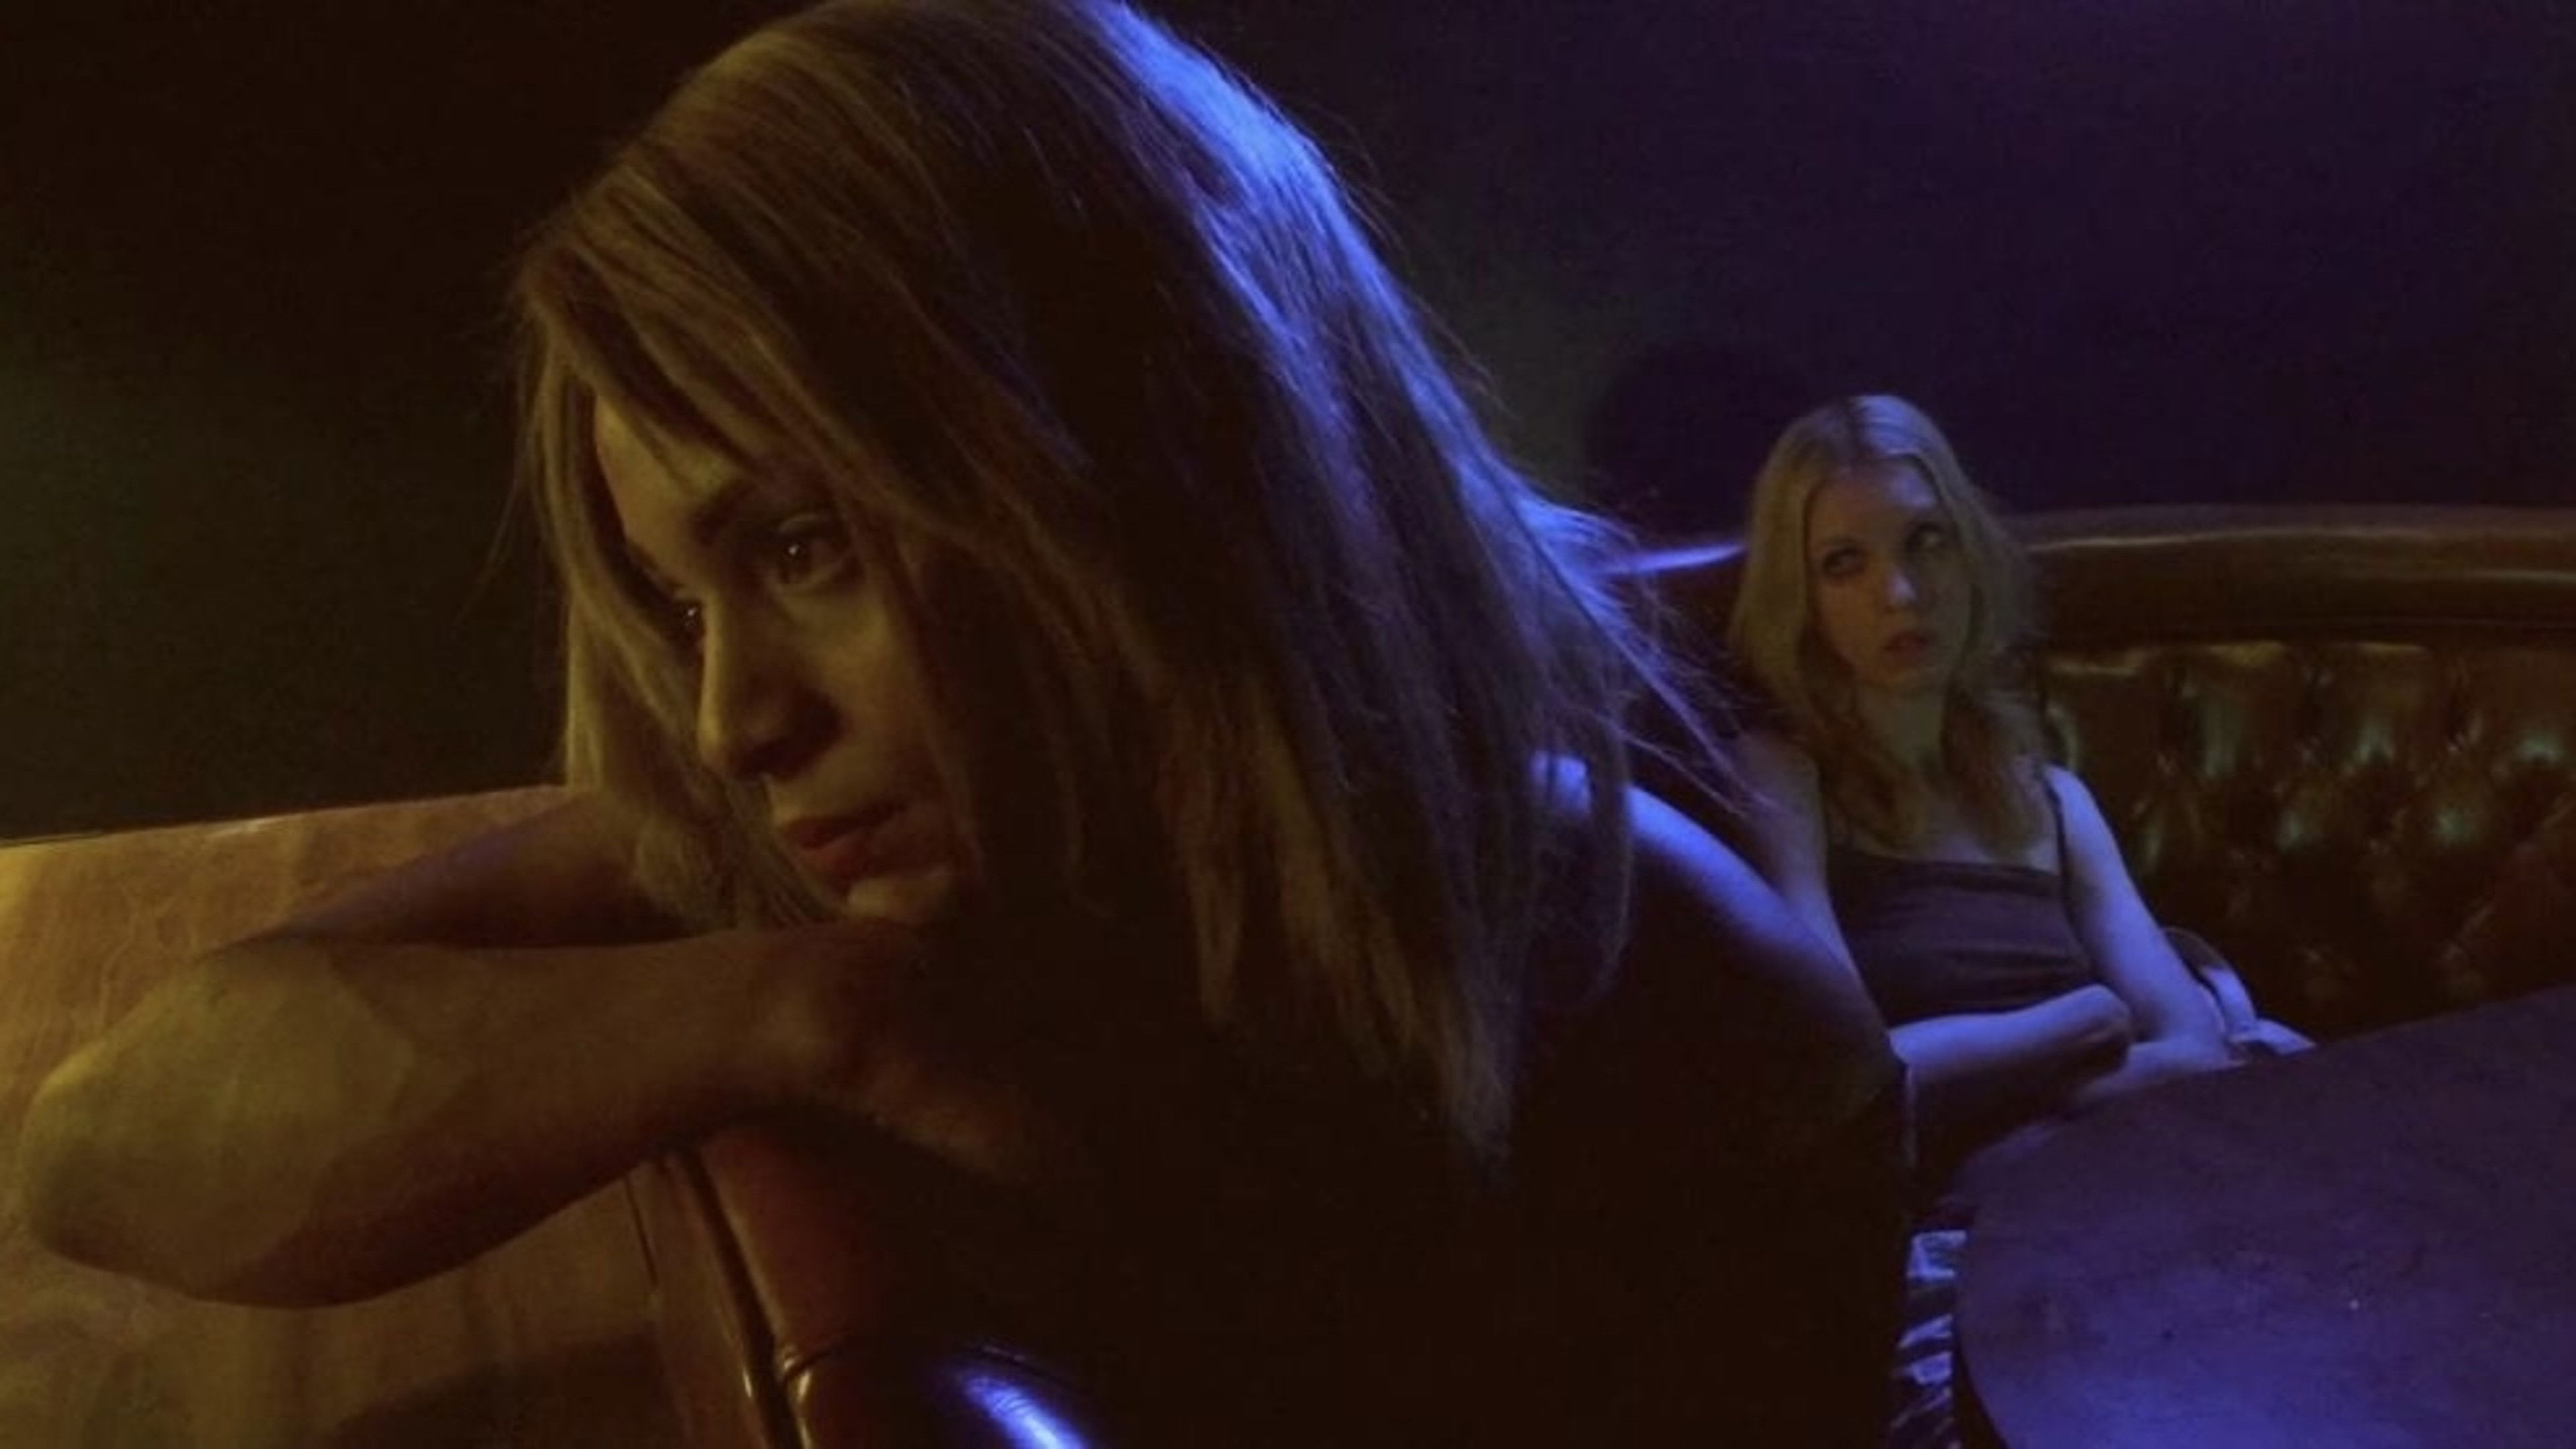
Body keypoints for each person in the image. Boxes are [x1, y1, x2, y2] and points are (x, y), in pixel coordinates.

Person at [18, 3, 1908, 1442]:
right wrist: (812, 1010)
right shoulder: (833, 859)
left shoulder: (1703, 1010)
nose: (729, 716)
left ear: (1154, 465)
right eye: (682, 599)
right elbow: (106, 1147)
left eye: (808, 546)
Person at [1723, 394, 2242, 1446]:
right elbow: (1857, 1089)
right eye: (1845, 564)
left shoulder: (2049, 799)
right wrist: (2084, 1022)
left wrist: (2013, 1093)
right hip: (1953, 1251)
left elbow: (2196, 1052)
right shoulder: (1783, 781)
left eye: (1927, 542)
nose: (1901, 592)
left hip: (2134, 1202)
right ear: (1801, 598)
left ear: (1970, 553)